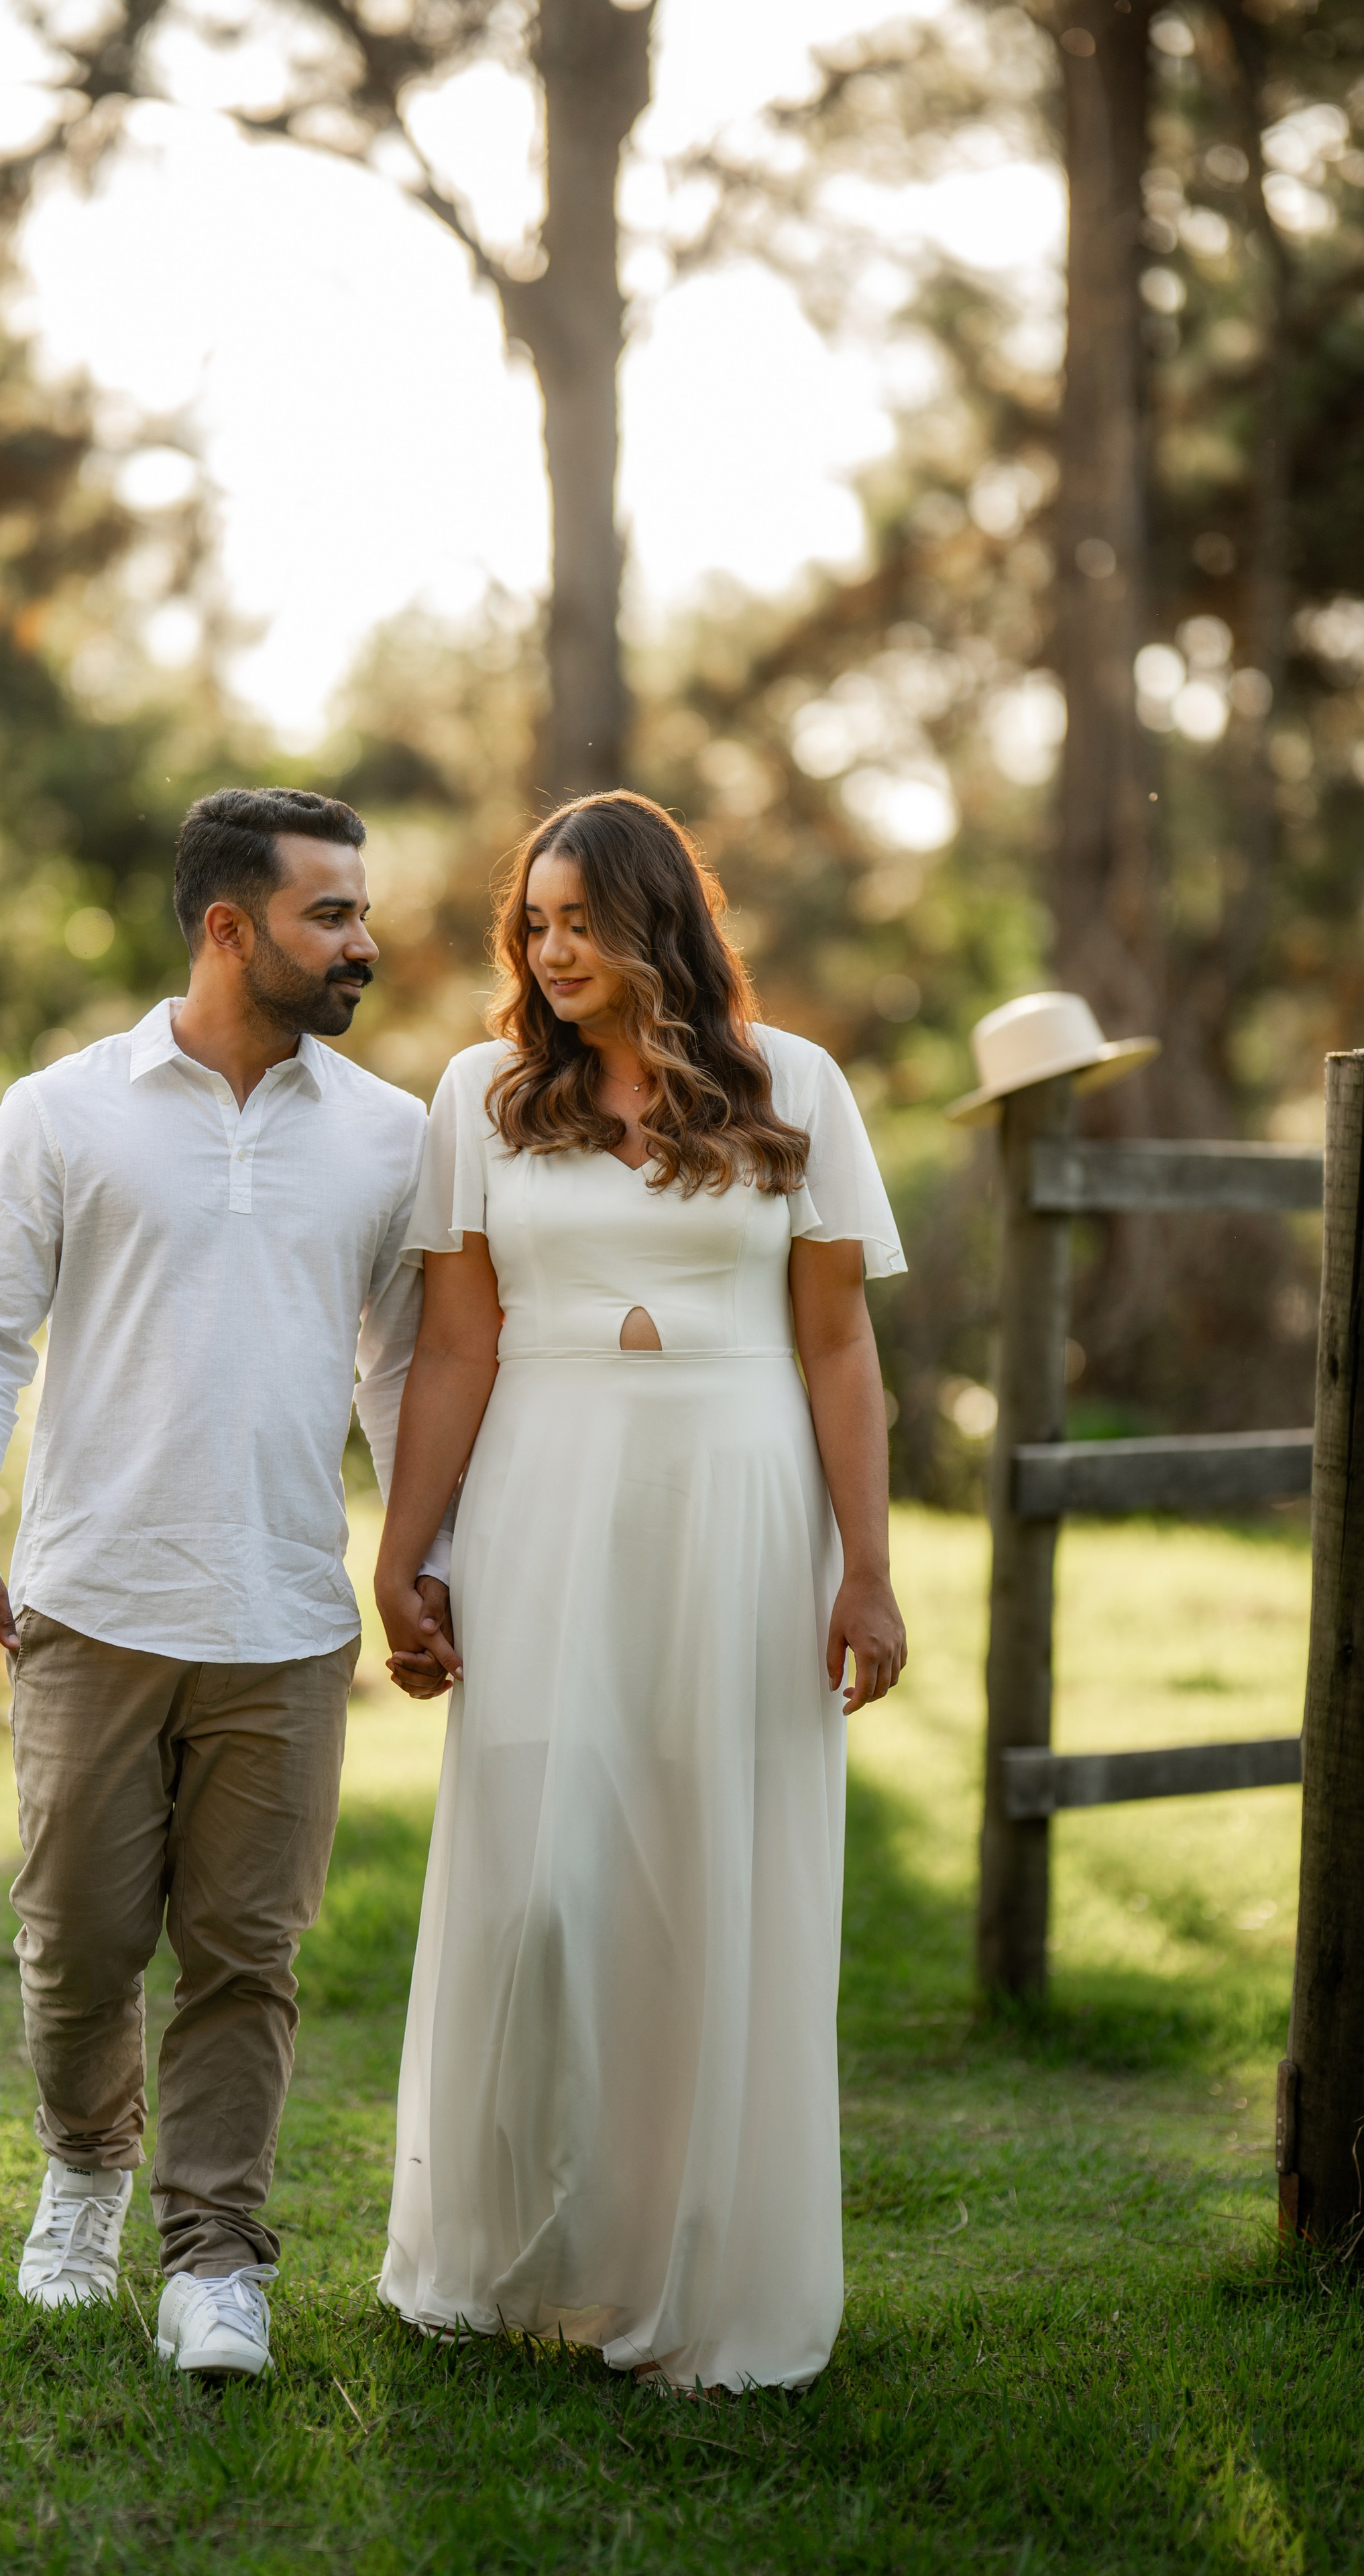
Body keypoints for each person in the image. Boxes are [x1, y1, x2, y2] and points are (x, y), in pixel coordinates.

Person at [0, 787, 451, 2381]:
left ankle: (217, 2262)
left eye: (359, 910)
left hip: (283, 1622)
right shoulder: (61, 1111)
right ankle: (85, 2167)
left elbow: (402, 1373)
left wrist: (418, 1558)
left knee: (244, 1955)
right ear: (229, 927)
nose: (362, 942)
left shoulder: (384, 1133)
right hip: (88, 1602)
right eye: (329, 914)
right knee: (76, 1941)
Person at [372, 791, 907, 2394]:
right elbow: (457, 1345)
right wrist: (404, 1550)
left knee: (711, 1862)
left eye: (579, 920)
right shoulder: (479, 1093)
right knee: (541, 1883)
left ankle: (701, 2265)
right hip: (541, 1493)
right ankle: (523, 2250)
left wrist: (866, 1570)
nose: (551, 950)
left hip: (738, 1501)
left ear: (657, 918)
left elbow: (836, 1344)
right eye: (532, 924)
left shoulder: (789, 1083)